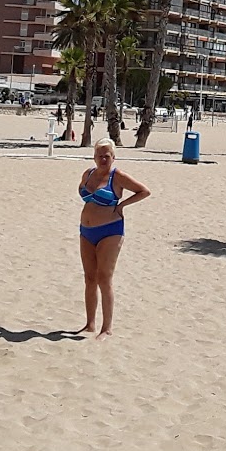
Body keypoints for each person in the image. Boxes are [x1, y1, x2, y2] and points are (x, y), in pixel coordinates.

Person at [77, 139, 150, 339]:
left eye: (107, 155)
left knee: (104, 278)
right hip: (86, 230)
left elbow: (144, 191)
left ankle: (106, 328)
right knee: (89, 278)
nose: (103, 158)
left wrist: (121, 206)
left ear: (113, 157)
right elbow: (82, 191)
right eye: (99, 155)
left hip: (110, 230)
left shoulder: (117, 177)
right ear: (94, 156)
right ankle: (90, 324)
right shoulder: (88, 174)